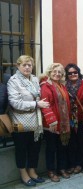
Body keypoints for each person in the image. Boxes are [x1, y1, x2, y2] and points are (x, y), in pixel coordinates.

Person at [8, 55, 49, 186]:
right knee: (21, 148)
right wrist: (36, 104)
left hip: (36, 120)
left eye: (29, 65)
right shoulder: (13, 81)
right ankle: (23, 174)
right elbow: (15, 103)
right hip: (20, 120)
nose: (27, 67)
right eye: (24, 65)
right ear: (18, 66)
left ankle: (32, 171)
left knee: (34, 147)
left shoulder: (35, 79)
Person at [40, 63, 71, 182]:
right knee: (51, 148)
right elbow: (45, 104)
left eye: (59, 72)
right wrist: (52, 120)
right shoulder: (45, 86)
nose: (57, 74)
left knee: (62, 146)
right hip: (51, 124)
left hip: (63, 123)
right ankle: (51, 171)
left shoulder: (61, 86)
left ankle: (61, 168)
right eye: (54, 71)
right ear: (49, 72)